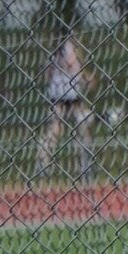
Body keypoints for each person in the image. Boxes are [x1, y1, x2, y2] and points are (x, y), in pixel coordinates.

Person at [35, 32, 94, 178]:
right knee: (55, 129)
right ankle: (43, 163)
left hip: (71, 96)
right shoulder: (63, 58)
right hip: (60, 96)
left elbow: (83, 78)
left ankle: (85, 165)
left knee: (81, 128)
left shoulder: (65, 58)